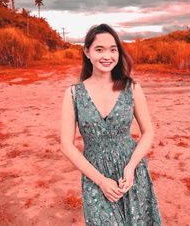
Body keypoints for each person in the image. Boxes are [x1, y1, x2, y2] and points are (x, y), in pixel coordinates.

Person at [60, 23, 163, 225]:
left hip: (131, 173)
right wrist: (101, 181)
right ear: (87, 52)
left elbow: (148, 132)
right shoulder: (73, 93)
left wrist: (132, 167)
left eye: (113, 49)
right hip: (95, 176)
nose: (107, 56)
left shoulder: (131, 88)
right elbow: (66, 145)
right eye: (99, 49)